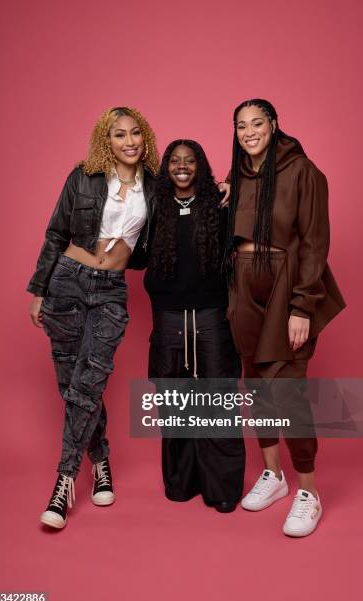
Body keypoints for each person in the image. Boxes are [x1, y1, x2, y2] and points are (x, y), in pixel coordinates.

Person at [28, 107, 159, 529]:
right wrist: (39, 289)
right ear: (108, 140)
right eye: (119, 135)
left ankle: (63, 483)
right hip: (67, 280)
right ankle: (100, 460)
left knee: (90, 380)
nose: (129, 141)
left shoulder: (154, 188)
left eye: (136, 133)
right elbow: (55, 233)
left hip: (110, 291)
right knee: (72, 385)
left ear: (145, 138)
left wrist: (223, 188)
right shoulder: (83, 175)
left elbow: (191, 201)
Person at [223, 99, 345, 536]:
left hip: (284, 285)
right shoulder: (239, 174)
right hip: (242, 283)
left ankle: (308, 491)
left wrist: (302, 307)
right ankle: (274, 476)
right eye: (241, 126)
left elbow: (314, 243)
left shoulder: (304, 172)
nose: (249, 132)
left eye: (257, 123)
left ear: (274, 124)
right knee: (255, 388)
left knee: (289, 394)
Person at [144, 140, 245, 513]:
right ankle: (182, 482)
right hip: (169, 320)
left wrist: (232, 184)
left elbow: (256, 193)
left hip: (212, 318)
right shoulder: (153, 207)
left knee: (218, 402)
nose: (182, 166)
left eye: (190, 161)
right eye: (175, 160)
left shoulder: (219, 206)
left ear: (200, 167)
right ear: (165, 167)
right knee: (175, 404)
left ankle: (222, 489)